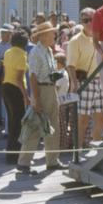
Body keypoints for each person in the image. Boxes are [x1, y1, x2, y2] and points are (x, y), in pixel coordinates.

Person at [17, 22, 66, 173]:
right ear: (43, 36)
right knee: (34, 126)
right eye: (51, 33)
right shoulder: (36, 52)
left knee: (53, 127)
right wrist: (35, 99)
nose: (54, 35)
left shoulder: (48, 51)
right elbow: (33, 77)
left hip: (50, 90)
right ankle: (23, 162)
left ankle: (52, 160)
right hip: (41, 90)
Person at [67, 8, 103, 147]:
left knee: (101, 118)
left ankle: (95, 149)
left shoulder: (102, 36)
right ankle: (76, 152)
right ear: (81, 22)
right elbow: (70, 65)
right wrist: (74, 83)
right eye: (85, 20)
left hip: (101, 80)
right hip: (85, 82)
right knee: (82, 120)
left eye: (91, 19)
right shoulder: (75, 40)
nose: (89, 23)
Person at [1, 30, 31, 165]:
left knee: (12, 122)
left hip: (6, 87)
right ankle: (15, 155)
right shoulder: (22, 55)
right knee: (17, 124)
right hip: (15, 89)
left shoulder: (8, 52)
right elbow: (19, 79)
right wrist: (26, 96)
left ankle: (10, 154)